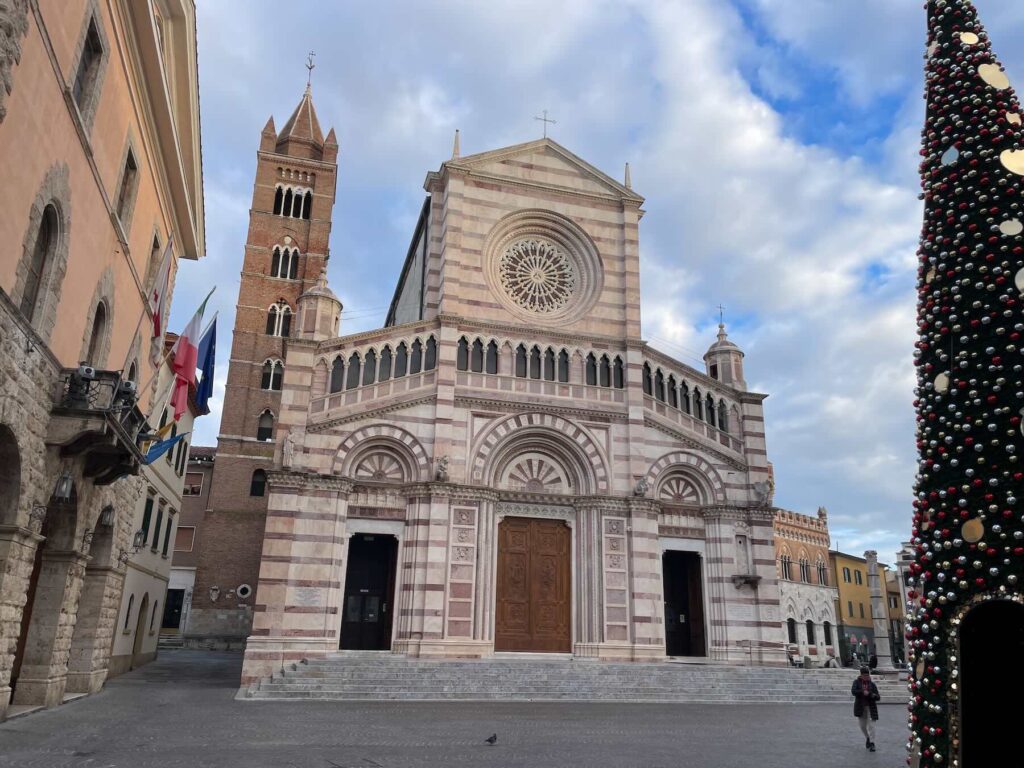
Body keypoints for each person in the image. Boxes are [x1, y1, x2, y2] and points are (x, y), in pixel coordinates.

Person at [851, 666, 880, 752]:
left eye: (867, 675)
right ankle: (867, 737)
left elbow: (878, 697)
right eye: (864, 675)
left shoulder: (872, 684)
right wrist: (862, 692)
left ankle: (872, 743)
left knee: (872, 726)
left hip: (871, 708)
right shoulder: (856, 682)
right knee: (862, 726)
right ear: (861, 675)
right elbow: (853, 691)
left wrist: (871, 694)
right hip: (860, 708)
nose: (866, 677)